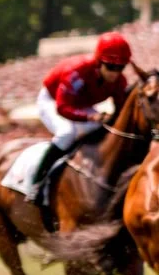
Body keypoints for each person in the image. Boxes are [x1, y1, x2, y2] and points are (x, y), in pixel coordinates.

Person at [32, 32, 133, 205]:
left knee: (105, 131)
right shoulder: (76, 72)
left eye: (121, 67)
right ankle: (37, 182)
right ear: (99, 61)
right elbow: (63, 108)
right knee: (66, 133)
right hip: (52, 100)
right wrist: (90, 116)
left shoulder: (119, 81)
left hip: (81, 103)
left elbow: (120, 111)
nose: (115, 73)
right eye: (110, 67)